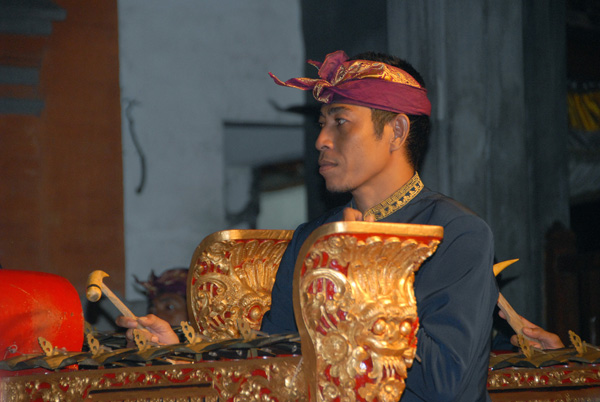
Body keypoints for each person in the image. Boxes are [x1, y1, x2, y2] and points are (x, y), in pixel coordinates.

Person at [116, 50, 563, 399]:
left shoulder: (457, 234)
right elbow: (277, 359)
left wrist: (357, 281)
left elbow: (446, 384)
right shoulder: (312, 238)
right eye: (323, 123)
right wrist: (178, 351)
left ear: (397, 132)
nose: (321, 140)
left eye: (341, 122)